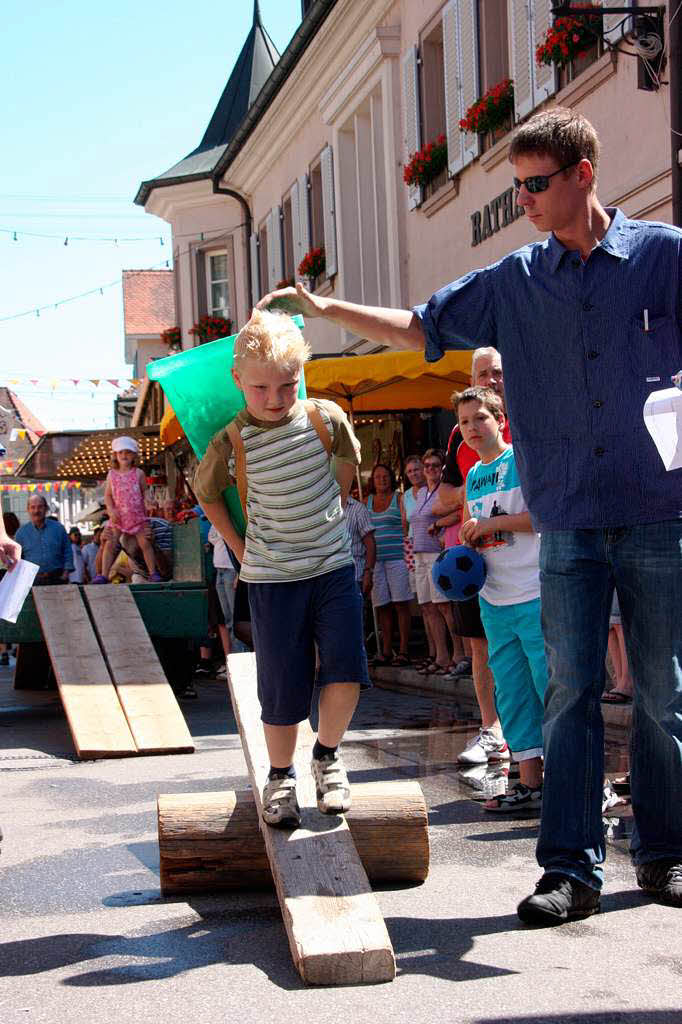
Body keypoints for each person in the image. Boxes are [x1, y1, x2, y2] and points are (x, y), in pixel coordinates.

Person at [260, 107, 682, 920]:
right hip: (565, 522)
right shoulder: (515, 281)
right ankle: (569, 871)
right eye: (516, 185)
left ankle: (664, 854)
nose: (523, 198)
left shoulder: (662, 259)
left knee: (663, 695)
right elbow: (422, 324)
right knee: (569, 693)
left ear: (582, 175)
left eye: (535, 183)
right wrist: (326, 308)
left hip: (658, 512)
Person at [194, 308, 369, 829]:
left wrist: (327, 513)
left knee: (347, 667)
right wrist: (240, 548)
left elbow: (346, 463)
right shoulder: (232, 439)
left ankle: (329, 757)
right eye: (261, 389)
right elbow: (206, 495)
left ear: (303, 373)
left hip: (332, 567)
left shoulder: (325, 418)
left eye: (287, 386)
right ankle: (281, 776)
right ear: (238, 381)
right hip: (272, 579)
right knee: (281, 683)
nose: (274, 399)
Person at [457, 386, 548, 813]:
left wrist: (491, 523)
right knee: (512, 692)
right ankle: (530, 784)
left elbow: (542, 517)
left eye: (480, 418)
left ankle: (578, 784)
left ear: (500, 420)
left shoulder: (522, 460)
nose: (473, 428)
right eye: (464, 422)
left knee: (553, 689)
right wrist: (467, 539)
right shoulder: (473, 475)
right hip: (494, 599)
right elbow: (477, 531)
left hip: (535, 592)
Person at [433, 347, 508, 755]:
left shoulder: (527, 416)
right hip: (474, 559)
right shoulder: (459, 434)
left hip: (524, 557)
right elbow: (443, 496)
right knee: (480, 647)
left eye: (496, 372)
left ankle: (531, 738)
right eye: (483, 373)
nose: (491, 379)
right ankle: (490, 729)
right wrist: (479, 485)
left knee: (532, 649)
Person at [409, 449, 461, 676]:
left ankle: (457, 654)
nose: (430, 469)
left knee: (444, 606)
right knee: (428, 607)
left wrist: (439, 524)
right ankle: (440, 656)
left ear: (442, 468)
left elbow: (459, 513)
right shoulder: (421, 493)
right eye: (427, 465)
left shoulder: (446, 491)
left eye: (435, 465)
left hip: (437, 553)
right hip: (419, 553)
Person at [93, 437, 161, 584]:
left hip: (137, 516)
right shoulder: (112, 474)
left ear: (134, 455)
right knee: (110, 543)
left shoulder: (139, 473)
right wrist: (111, 510)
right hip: (119, 517)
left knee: (145, 544)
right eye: (121, 452)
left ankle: (153, 572)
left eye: (128, 453)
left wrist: (149, 501)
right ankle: (104, 574)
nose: (124, 455)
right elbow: (108, 495)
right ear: (115, 455)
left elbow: (145, 492)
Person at [366, 463, 413, 667]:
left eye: (385, 476)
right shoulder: (366, 502)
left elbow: (407, 526)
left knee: (401, 603)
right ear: (372, 480)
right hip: (376, 561)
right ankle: (385, 650)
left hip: (397, 559)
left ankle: (403, 650)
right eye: (377, 477)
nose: (382, 480)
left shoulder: (399, 499)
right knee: (382, 606)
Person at [15, 495, 73, 584]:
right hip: (31, 581)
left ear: (46, 509)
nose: (36, 511)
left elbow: (67, 551)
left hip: (57, 579)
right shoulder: (21, 533)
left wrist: (65, 575)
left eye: (40, 507)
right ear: (28, 510)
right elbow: (18, 559)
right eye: (33, 507)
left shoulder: (58, 528)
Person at [343, 490, 376, 596]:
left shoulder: (358, 509)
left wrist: (368, 572)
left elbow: (370, 545)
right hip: (329, 578)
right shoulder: (324, 509)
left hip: (355, 575)